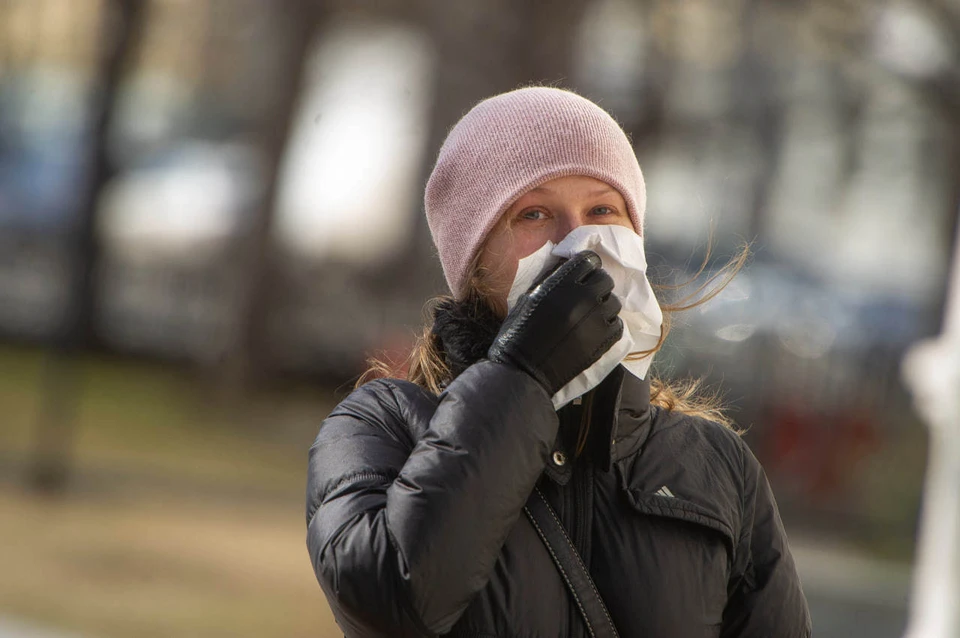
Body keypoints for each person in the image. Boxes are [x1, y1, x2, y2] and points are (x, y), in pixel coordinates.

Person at [305, 86, 812, 638]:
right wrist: (525, 375)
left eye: (602, 210)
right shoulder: (380, 427)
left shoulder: (717, 465)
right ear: (474, 262)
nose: (578, 241)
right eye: (534, 213)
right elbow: (392, 600)